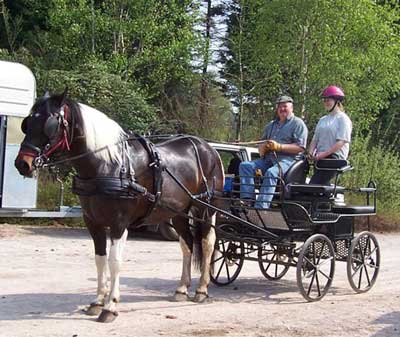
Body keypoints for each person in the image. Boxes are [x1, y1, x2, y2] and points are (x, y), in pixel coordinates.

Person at [239, 95, 308, 209]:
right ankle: (247, 200)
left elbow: (300, 147)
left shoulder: (298, 124)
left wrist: (279, 147)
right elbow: (262, 143)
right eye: (280, 107)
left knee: (271, 173)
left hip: (288, 161)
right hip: (268, 159)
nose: (282, 109)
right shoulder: (271, 125)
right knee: (245, 165)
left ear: (291, 107)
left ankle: (261, 207)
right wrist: (262, 147)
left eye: (285, 106)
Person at [308, 85, 352, 185]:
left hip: (334, 158)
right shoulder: (323, 120)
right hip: (321, 159)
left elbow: (341, 142)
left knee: (314, 185)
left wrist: (322, 155)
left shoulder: (343, 119)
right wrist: (311, 152)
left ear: (337, 101)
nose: (326, 103)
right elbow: (315, 139)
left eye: (328, 100)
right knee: (320, 186)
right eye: (324, 100)